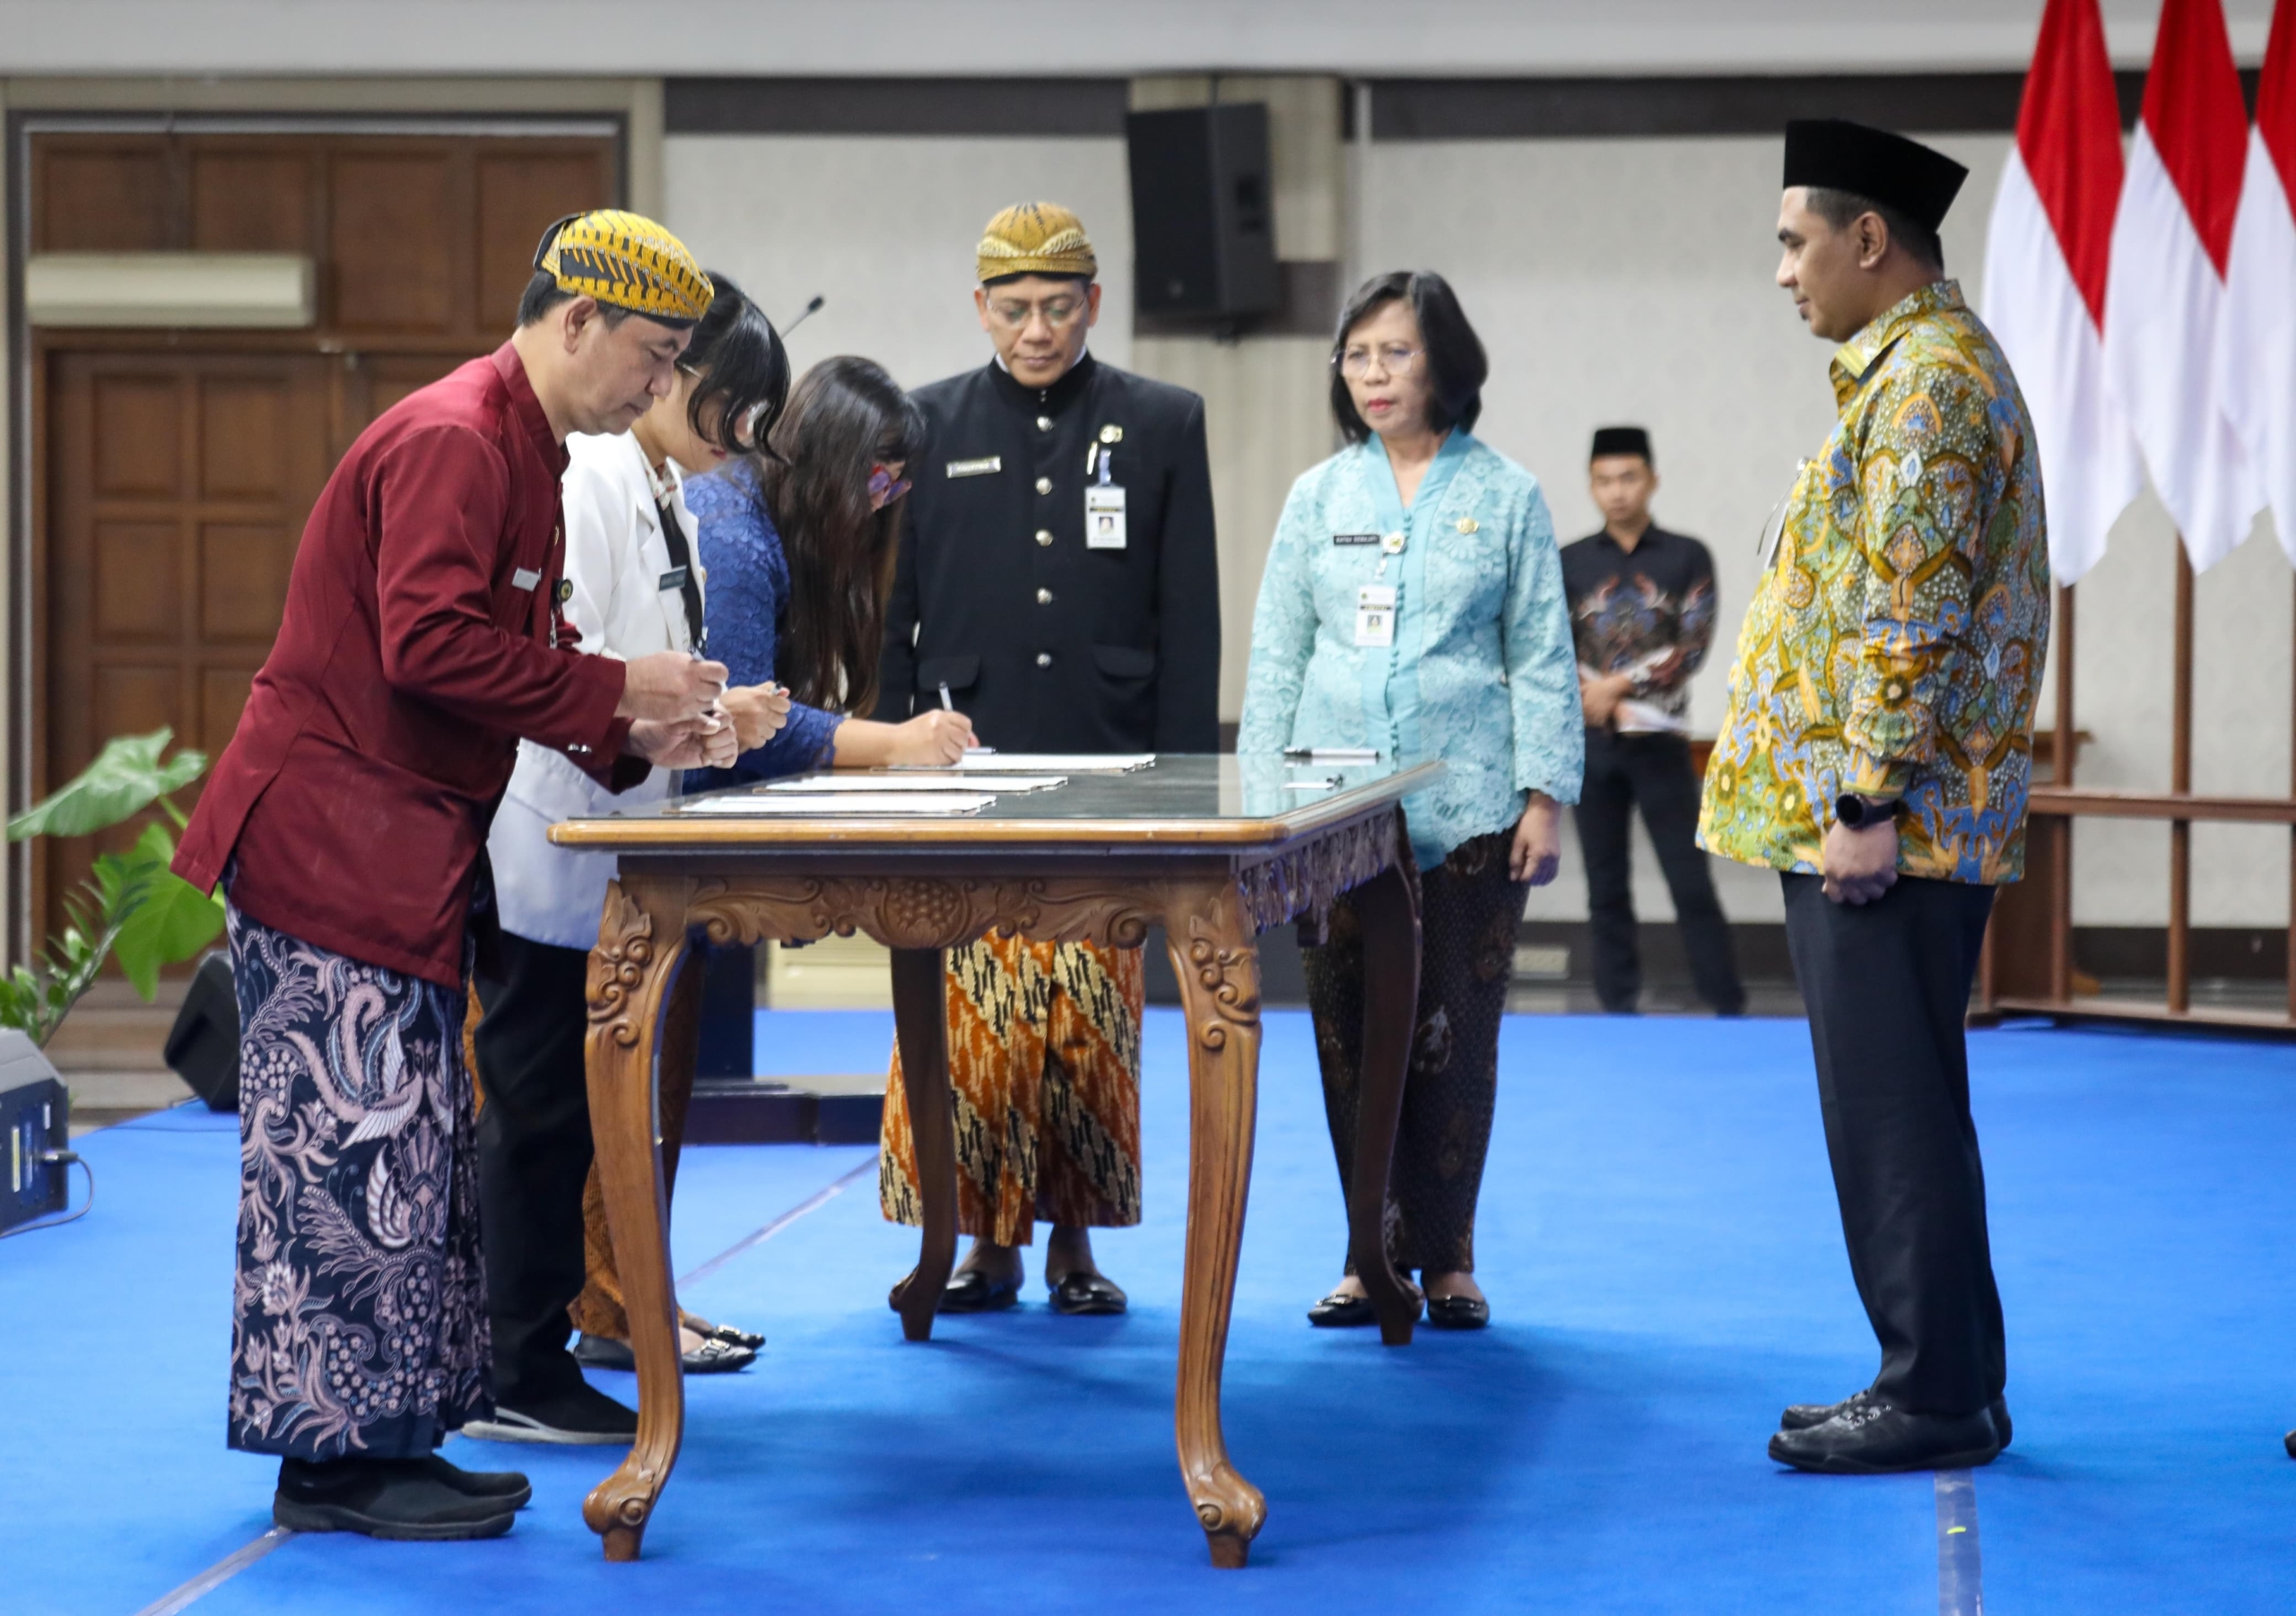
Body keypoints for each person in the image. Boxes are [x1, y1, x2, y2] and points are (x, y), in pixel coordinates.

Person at [171, 209, 737, 1540]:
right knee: (345, 1160)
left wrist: (635, 726)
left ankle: (392, 1436)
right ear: (575, 320)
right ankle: (332, 1465)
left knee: (408, 1156)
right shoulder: (454, 437)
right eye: (651, 355)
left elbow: (514, 647)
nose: (660, 387)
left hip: (397, 848)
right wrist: (612, 686)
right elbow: (429, 645)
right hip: (331, 843)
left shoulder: (525, 446)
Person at [1698, 120, 2048, 1473]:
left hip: (1889, 829)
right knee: (1914, 1106)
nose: (1783, 272)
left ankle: (1931, 1394)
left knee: (1890, 1114)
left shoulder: (1927, 389)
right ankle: (1957, 1374)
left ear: (1867, 240)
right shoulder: (1913, 374)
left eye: (1796, 243)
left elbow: (1911, 617)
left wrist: (1863, 800)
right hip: (1901, 820)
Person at [872, 202, 1219, 1317]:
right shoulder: (920, 425)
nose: (1035, 330)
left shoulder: (1164, 419)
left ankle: (1074, 1238)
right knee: (973, 1009)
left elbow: (1189, 609)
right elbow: (894, 606)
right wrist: (875, 748)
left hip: (1108, 756)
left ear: (1094, 304)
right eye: (1013, 309)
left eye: (1056, 307)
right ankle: (981, 1239)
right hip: (965, 754)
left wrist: (1182, 771)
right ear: (979, 308)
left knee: (1086, 1007)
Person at [465, 271, 791, 1441]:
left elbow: (641, 670)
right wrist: (694, 723)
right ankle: (515, 1363)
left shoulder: (665, 486)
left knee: (567, 1117)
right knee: (537, 1112)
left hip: (619, 835)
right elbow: (575, 663)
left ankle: (535, 1350)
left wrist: (719, 716)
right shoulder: (593, 474)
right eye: (720, 404)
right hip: (550, 839)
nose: (732, 437)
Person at [1238, 270, 1582, 1332]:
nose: (1374, 374)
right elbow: (1275, 656)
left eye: (1396, 352)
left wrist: (1545, 795)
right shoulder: (1318, 496)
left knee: (1454, 1033)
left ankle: (1449, 1259)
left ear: (1444, 360)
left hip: (1470, 806)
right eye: (1357, 356)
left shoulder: (1506, 493)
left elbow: (1538, 654)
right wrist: (1261, 808)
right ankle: (1365, 1255)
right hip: (1333, 816)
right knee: (1345, 1028)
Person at [686, 354, 973, 790]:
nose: (881, 502)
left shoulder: (792, 520)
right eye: (876, 480)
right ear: (826, 459)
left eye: (896, 486)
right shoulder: (733, 534)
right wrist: (897, 742)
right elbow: (746, 723)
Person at [1561, 426, 1744, 1016]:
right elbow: (1550, 648)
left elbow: (1692, 646)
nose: (1617, 492)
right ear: (1591, 485)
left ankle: (1727, 1004)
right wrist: (1600, 699)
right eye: (1605, 480)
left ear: (1652, 480)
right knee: (1605, 886)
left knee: (1689, 880)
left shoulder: (1686, 555)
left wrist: (1616, 685)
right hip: (1591, 744)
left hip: (1660, 742)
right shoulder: (1569, 561)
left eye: (1629, 478)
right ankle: (1616, 1007)